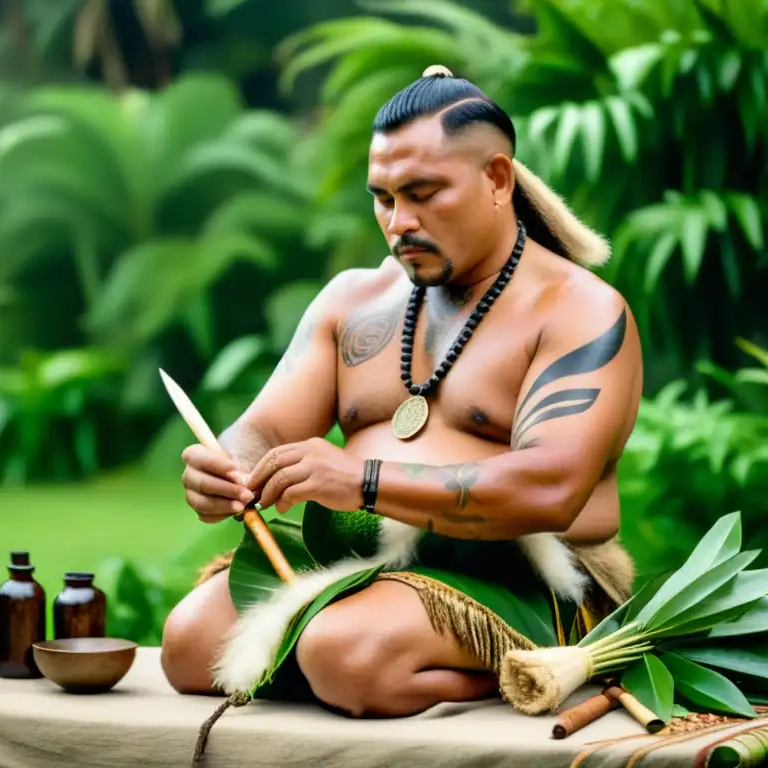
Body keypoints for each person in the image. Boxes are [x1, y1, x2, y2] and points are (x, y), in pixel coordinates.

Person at [162, 66, 642, 721]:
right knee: (189, 647)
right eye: (383, 197)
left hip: (514, 567)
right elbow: (266, 430)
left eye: (423, 194)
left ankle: (523, 668)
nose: (398, 221)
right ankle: (353, 654)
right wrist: (228, 465)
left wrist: (362, 479)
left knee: (344, 656)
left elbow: (551, 487)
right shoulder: (353, 300)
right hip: (358, 554)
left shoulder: (577, 310)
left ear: (497, 179)